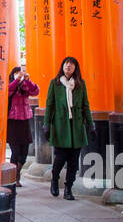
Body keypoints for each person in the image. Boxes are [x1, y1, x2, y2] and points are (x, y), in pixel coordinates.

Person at [44, 56, 90, 200]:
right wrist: (46, 124)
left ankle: (68, 188)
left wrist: (91, 123)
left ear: (76, 68)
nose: (68, 66)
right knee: (60, 157)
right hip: (61, 126)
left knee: (74, 161)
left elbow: (85, 105)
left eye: (71, 64)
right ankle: (54, 179)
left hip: (76, 126)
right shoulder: (55, 83)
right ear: (62, 66)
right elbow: (49, 105)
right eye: (66, 63)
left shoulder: (80, 84)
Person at [6, 66, 39, 187]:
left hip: (24, 120)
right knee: (15, 152)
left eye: (21, 72)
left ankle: (17, 173)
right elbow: (8, 91)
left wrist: (28, 81)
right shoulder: (10, 84)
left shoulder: (26, 85)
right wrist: (17, 80)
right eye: (17, 73)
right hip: (13, 121)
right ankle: (14, 178)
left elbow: (35, 91)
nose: (19, 74)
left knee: (24, 152)